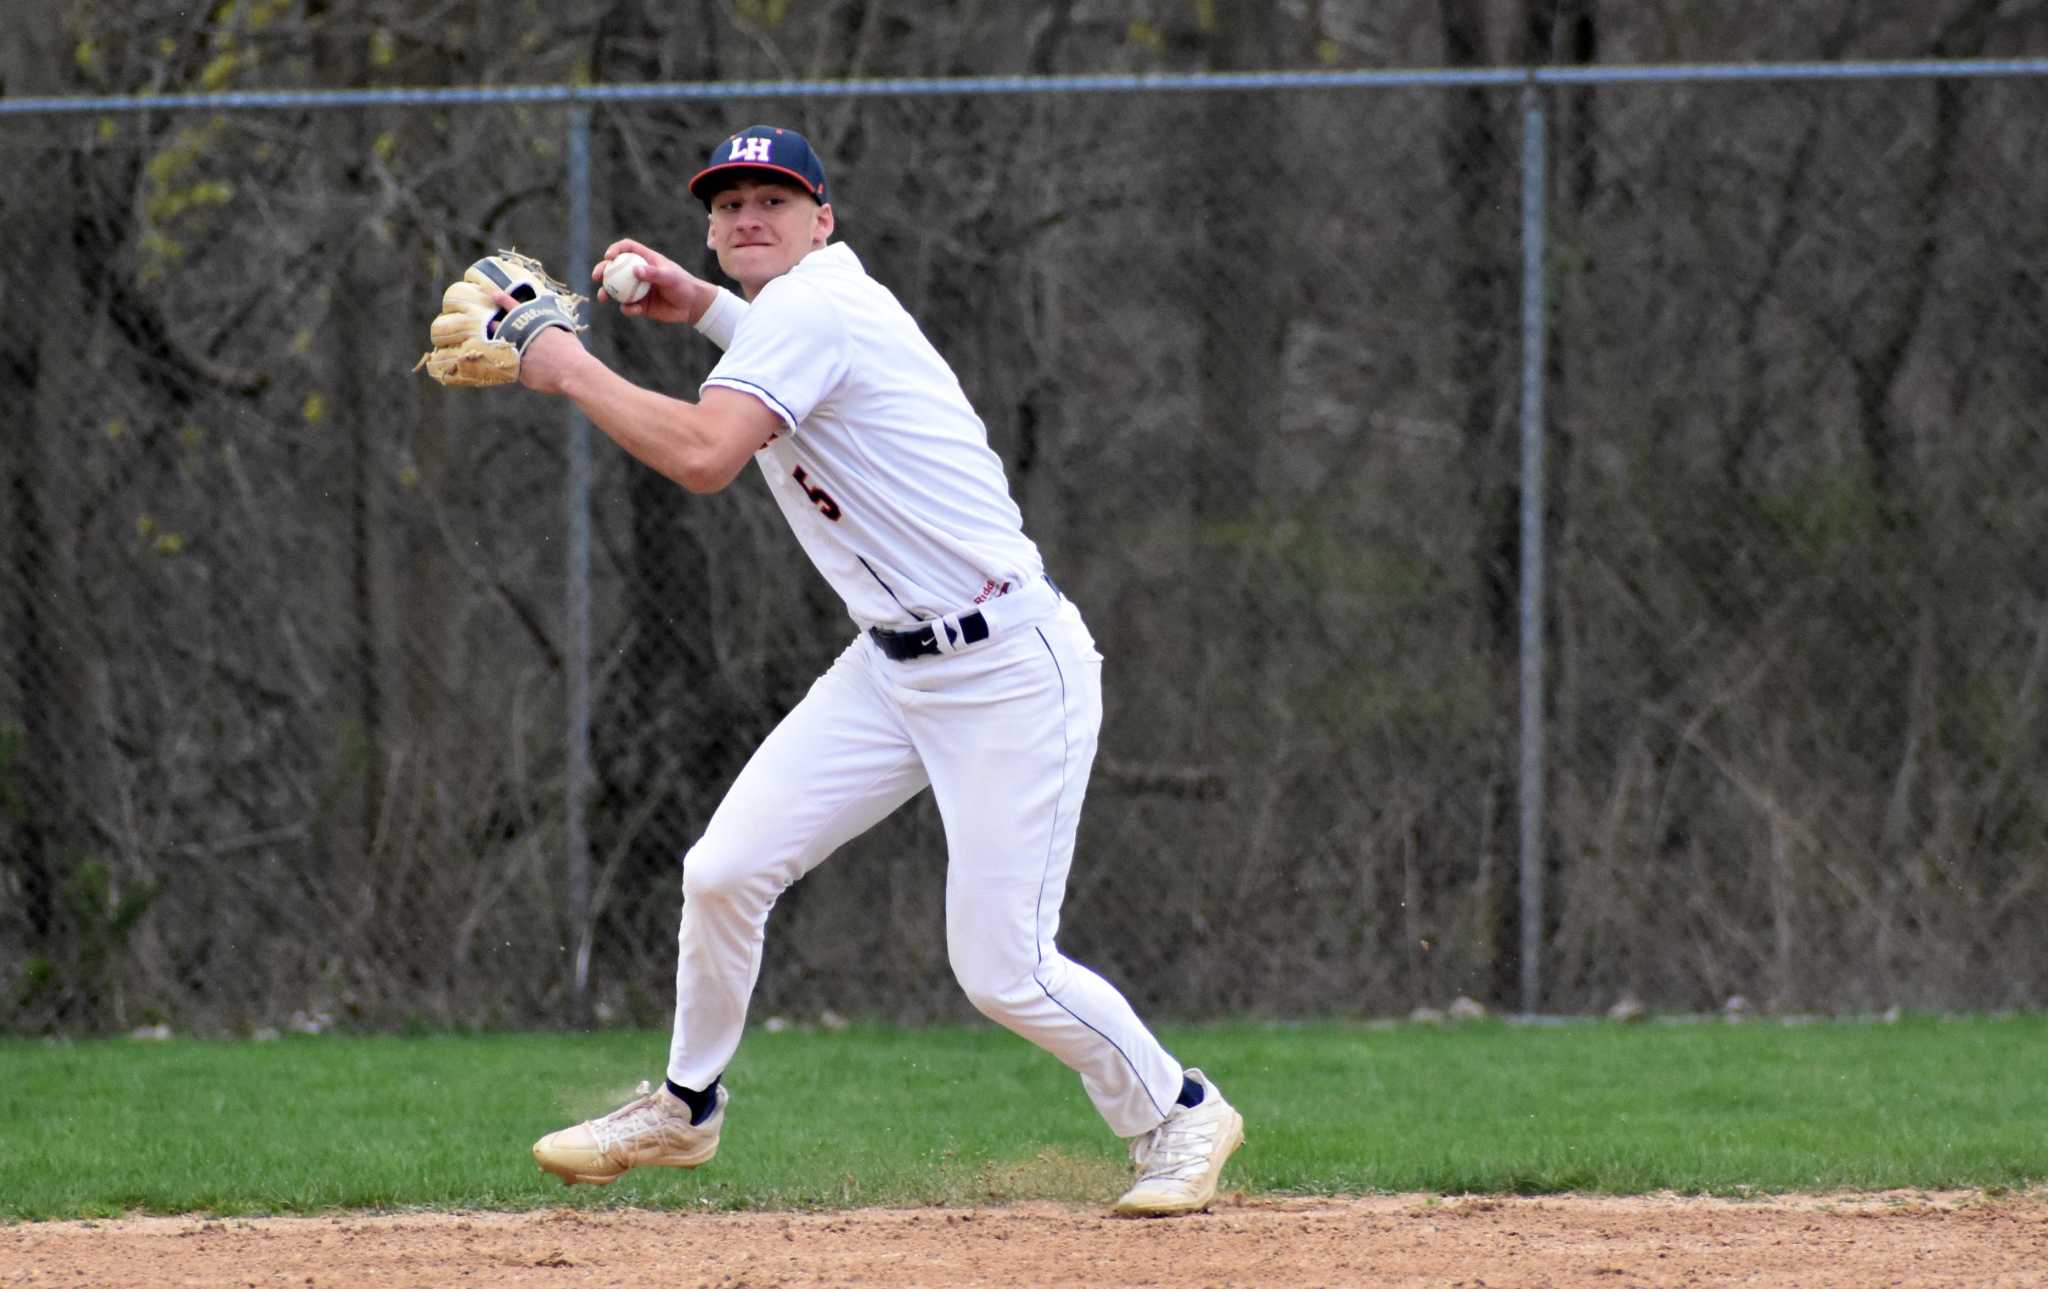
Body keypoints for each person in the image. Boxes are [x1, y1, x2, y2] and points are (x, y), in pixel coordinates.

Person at [511, 124, 1243, 1217]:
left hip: (1005, 668)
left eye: (773, 198)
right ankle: (684, 1101)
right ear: (708, 233)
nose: (747, 216)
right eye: (726, 205)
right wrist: (703, 308)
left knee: (1003, 967)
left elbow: (709, 455)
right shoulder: (803, 313)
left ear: (823, 219)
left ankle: (1178, 1109)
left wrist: (565, 366)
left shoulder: (816, 304)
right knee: (722, 870)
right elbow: (779, 368)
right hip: (892, 667)